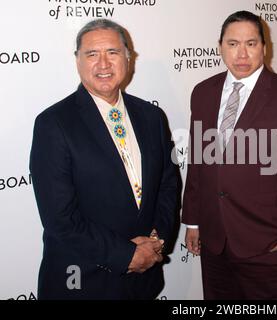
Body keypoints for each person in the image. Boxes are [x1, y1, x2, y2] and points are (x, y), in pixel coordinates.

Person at [30, 19, 178, 299]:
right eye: (91, 54)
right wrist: (127, 255)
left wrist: (156, 241)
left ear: (128, 58)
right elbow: (60, 219)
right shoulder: (54, 123)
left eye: (112, 52)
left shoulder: (152, 117)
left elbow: (168, 185)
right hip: (83, 281)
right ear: (77, 60)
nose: (103, 63)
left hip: (143, 283)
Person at [181, 10, 277, 300]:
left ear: (264, 48)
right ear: (220, 46)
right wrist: (193, 221)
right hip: (214, 240)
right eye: (233, 44)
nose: (241, 54)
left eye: (251, 43)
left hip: (268, 243)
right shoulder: (203, 92)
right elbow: (198, 162)